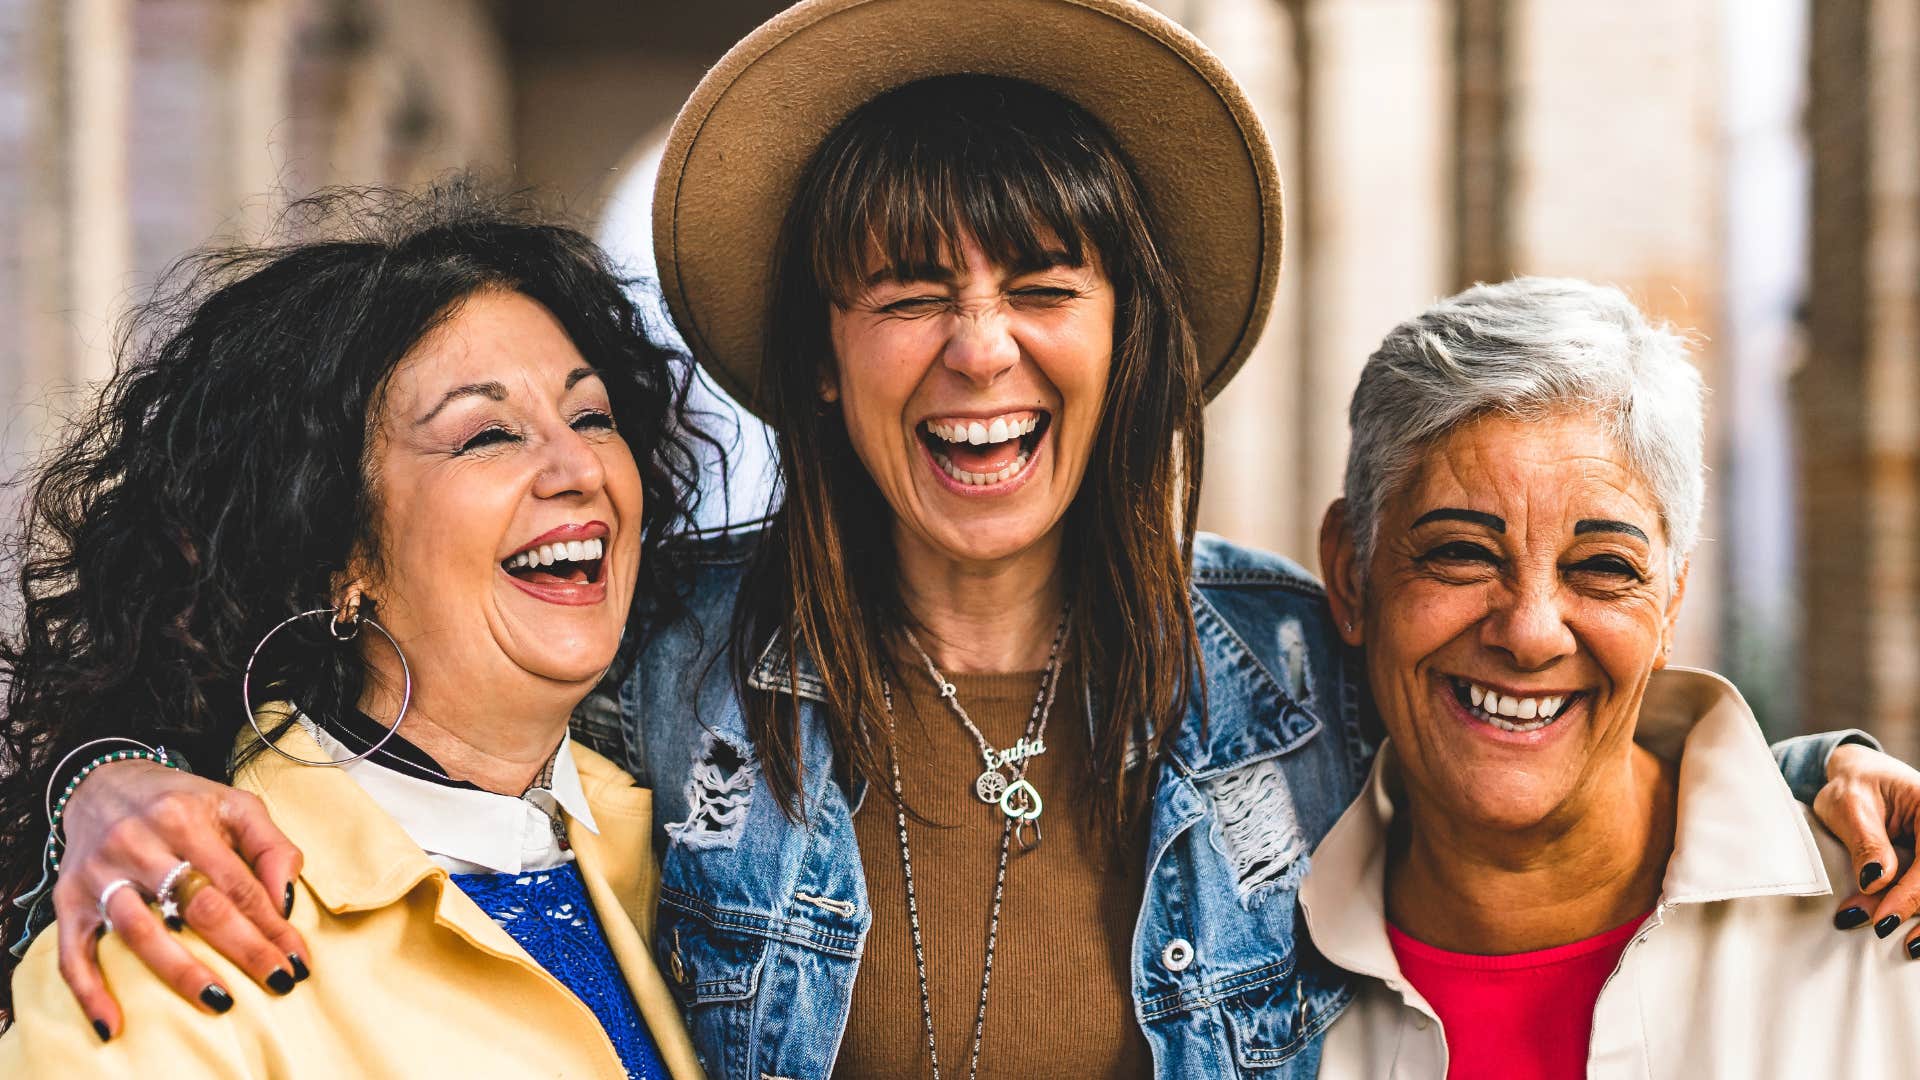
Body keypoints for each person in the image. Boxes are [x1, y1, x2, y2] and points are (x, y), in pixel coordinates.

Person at [25, 3, 1920, 1079]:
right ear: (826, 362)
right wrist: (113, 778)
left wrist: (1829, 783)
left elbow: (1545, 734)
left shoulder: (1293, 670)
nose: (981, 346)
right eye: (906, 287)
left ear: (1133, 337)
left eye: (1044, 279)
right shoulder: (652, 671)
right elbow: (377, 747)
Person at [0, 185, 705, 1077]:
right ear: (341, 552)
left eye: (592, 416)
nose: (576, 468)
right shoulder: (175, 949)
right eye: (487, 434)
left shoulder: (677, 838)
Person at [1302, 277, 1920, 1078]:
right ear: (1352, 576)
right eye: (1459, 551)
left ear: (1670, 603)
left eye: (1603, 567)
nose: (1529, 633)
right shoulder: (1232, 966)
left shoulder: (1889, 949)